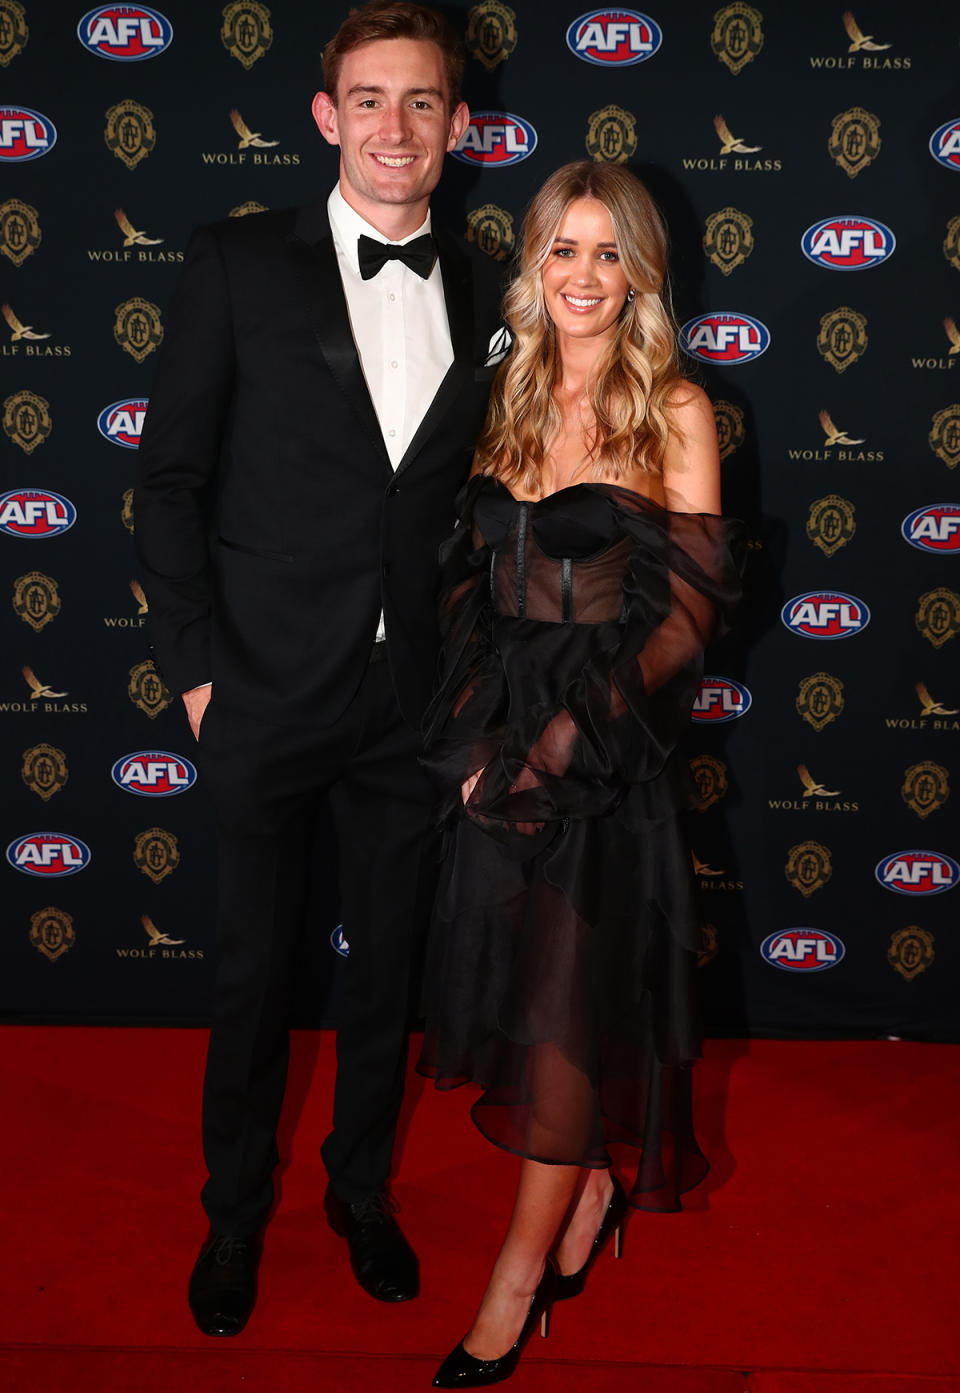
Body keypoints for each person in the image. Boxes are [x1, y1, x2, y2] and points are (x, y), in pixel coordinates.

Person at [135, 1, 503, 1336]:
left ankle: (361, 1193)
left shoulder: (486, 290)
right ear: (325, 116)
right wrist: (198, 677)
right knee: (251, 969)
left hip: (413, 707)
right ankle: (233, 1214)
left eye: (421, 103)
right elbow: (166, 485)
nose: (395, 128)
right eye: (369, 100)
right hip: (265, 690)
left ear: (460, 126)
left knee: (383, 969)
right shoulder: (236, 264)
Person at [416, 161, 744, 1387]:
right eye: (564, 249)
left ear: (641, 274)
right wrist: (472, 736)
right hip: (497, 747)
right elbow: (467, 585)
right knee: (522, 997)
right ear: (534, 264)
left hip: (602, 757)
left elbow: (688, 616)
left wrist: (560, 740)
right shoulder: (501, 396)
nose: (585, 277)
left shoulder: (679, 411)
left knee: (560, 1027)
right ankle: (589, 1184)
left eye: (610, 253)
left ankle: (515, 1281)